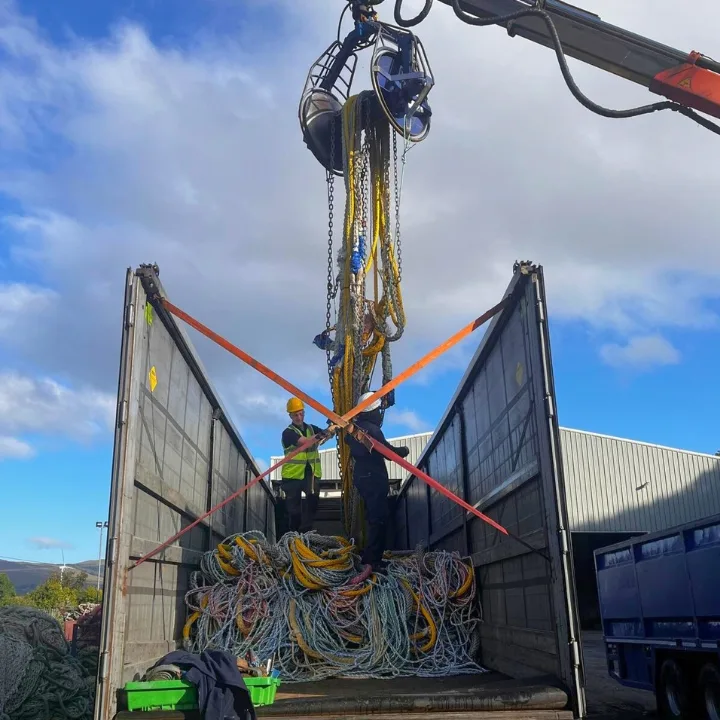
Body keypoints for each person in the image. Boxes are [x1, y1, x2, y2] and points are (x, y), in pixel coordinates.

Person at [345, 391, 410, 584]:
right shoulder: (371, 430)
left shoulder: (355, 429)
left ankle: (370, 557)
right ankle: (373, 560)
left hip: (363, 478)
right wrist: (402, 451)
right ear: (372, 410)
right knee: (378, 518)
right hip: (373, 478)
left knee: (373, 517)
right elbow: (386, 450)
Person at [280, 397, 324, 533]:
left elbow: (326, 435)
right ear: (290, 416)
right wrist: (321, 435)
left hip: (310, 472)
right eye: (295, 415)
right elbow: (305, 442)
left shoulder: (311, 428)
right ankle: (294, 534)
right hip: (292, 476)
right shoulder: (288, 433)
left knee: (313, 501)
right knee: (294, 511)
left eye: (301, 413)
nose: (299, 417)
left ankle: (306, 533)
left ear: (304, 413)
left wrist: (330, 430)